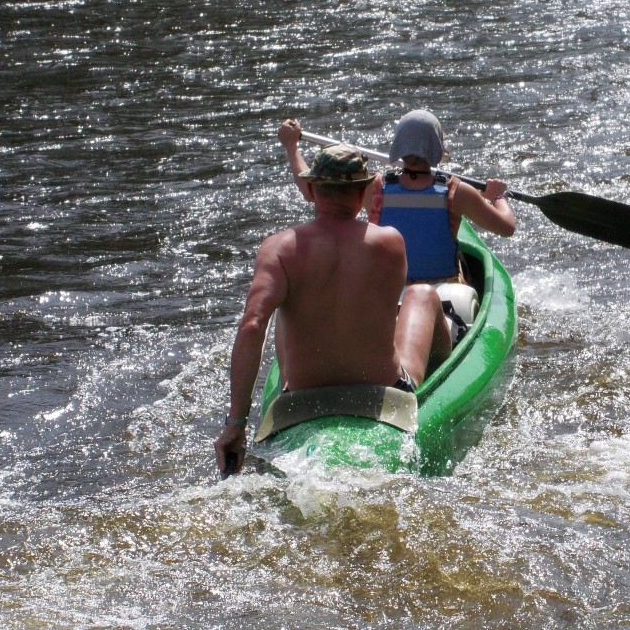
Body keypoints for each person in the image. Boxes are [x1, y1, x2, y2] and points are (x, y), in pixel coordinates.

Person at [213, 142, 452, 475]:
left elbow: (252, 325)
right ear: (365, 191)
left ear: (311, 190)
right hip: (381, 387)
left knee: (281, 305)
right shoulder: (390, 241)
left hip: (303, 392)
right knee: (422, 295)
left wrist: (236, 424)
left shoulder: (278, 249)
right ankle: (446, 382)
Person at [280, 111, 516, 285]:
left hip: (389, 289)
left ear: (398, 147)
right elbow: (506, 228)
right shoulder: (458, 192)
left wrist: (292, 146)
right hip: (443, 287)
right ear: (438, 149)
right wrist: (498, 196)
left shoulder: (374, 188)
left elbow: (310, 190)